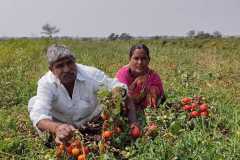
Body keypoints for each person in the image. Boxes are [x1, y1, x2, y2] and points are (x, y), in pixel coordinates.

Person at [28, 44, 137, 144]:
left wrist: (115, 95)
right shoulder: (46, 83)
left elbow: (118, 86)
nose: (67, 69)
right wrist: (57, 128)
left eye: (69, 63)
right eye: (60, 66)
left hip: (91, 121)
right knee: (33, 103)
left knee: (119, 101)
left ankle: (88, 138)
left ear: (74, 62)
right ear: (51, 69)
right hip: (62, 124)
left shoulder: (90, 74)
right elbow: (38, 115)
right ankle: (54, 141)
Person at [115, 44, 165, 110]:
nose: (140, 62)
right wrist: (142, 93)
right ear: (130, 59)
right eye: (136, 58)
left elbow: (162, 96)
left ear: (148, 60)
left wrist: (151, 90)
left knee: (153, 89)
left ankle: (151, 110)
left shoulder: (153, 76)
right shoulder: (123, 74)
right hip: (127, 110)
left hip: (147, 109)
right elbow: (124, 97)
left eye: (143, 58)